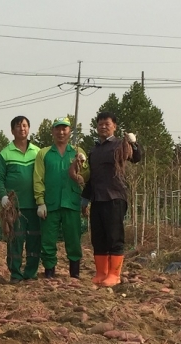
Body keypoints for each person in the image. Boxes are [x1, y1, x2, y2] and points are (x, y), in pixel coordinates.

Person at [81, 111, 141, 287]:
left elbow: (136, 157)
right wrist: (85, 199)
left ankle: (114, 274)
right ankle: (101, 273)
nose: (103, 126)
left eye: (107, 123)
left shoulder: (119, 146)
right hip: (98, 198)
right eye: (100, 124)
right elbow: (92, 178)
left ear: (114, 126)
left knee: (114, 236)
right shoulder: (94, 151)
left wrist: (134, 143)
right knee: (98, 237)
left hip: (114, 197)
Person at [33, 117, 89, 279]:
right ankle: (49, 270)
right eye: (57, 129)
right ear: (52, 131)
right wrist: (40, 201)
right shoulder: (44, 153)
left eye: (64, 128)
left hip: (71, 202)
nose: (61, 132)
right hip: (50, 203)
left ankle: (74, 272)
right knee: (48, 240)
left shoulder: (78, 152)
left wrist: (80, 168)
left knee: (73, 238)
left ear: (70, 131)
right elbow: (38, 178)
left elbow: (86, 175)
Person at [0, 116, 41, 282]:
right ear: (12, 130)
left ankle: (31, 273)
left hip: (35, 204)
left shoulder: (38, 152)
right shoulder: (5, 153)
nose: (22, 128)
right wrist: (3, 196)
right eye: (18, 126)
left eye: (24, 125)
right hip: (15, 207)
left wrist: (43, 201)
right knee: (16, 240)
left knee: (34, 240)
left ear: (29, 129)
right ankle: (15, 273)